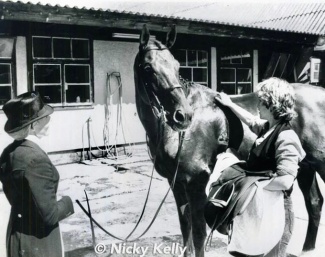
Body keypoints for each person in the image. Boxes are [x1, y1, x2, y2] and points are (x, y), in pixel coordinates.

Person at [214, 77, 306, 257]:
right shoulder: (268, 128)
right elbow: (251, 120)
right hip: (262, 208)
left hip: (277, 214)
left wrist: (249, 185)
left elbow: (285, 181)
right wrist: (229, 104)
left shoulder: (286, 137)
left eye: (262, 102)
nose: (257, 105)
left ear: (274, 105)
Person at [0, 91, 74, 257]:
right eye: (44, 117)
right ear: (32, 126)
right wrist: (69, 201)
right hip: (39, 242)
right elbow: (49, 216)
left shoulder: (9, 152)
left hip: (17, 237)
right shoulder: (36, 160)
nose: (49, 120)